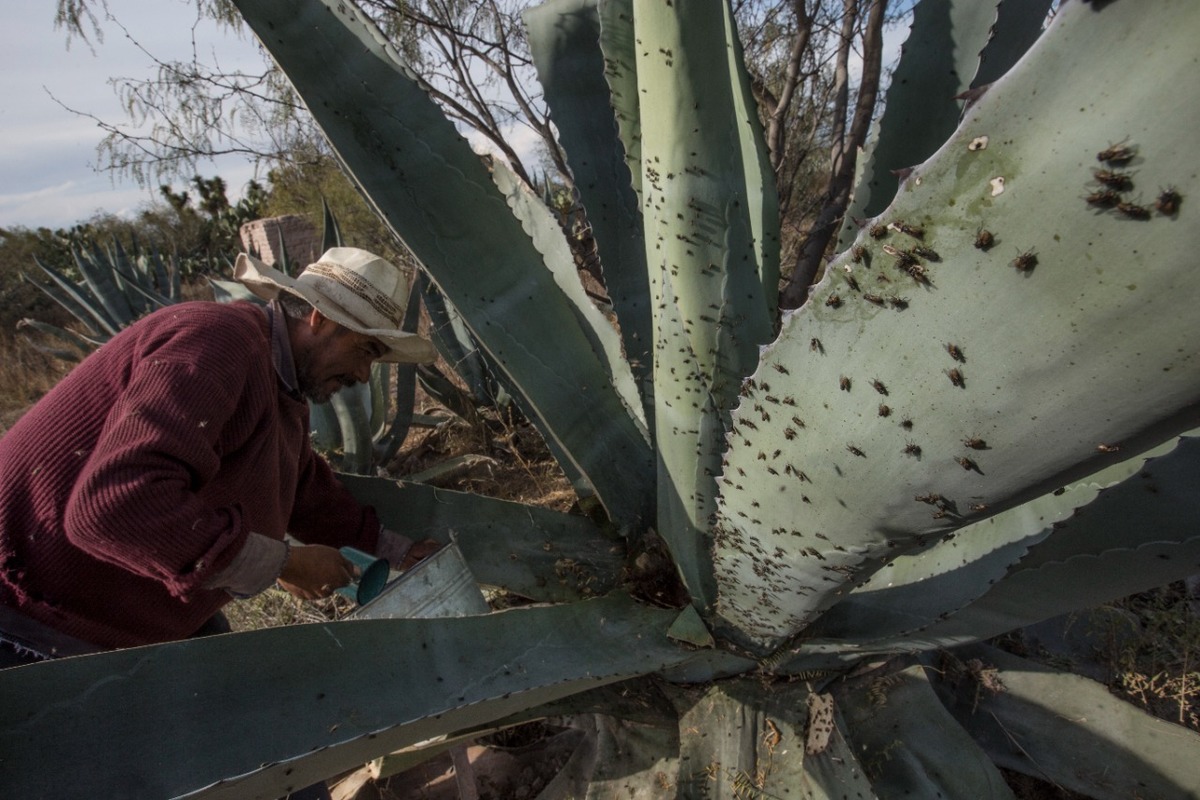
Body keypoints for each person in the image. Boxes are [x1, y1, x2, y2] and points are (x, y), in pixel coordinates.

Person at [0, 246, 442, 668]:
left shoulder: (278, 385)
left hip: (119, 613)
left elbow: (301, 490)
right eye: (366, 350)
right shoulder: (216, 342)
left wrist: (398, 551)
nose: (364, 375)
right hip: (27, 619)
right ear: (320, 319)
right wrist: (281, 563)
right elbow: (115, 505)